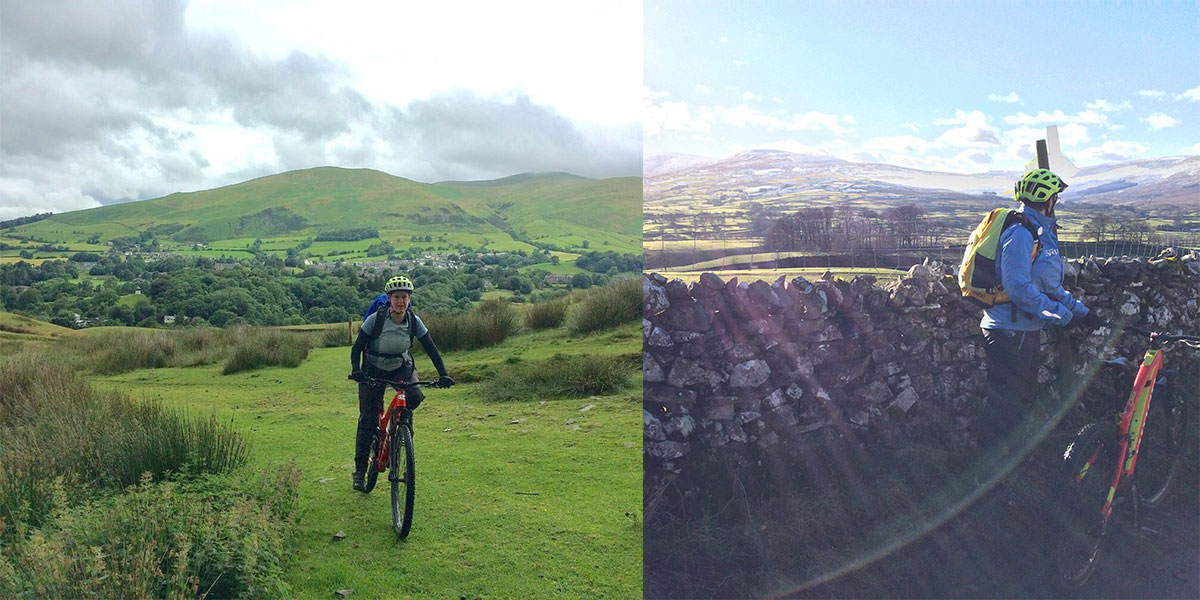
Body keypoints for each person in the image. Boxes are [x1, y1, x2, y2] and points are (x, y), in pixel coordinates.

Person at [975, 168, 1104, 450]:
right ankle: (986, 471)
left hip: (1023, 329)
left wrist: (1081, 312)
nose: (1056, 202)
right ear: (1048, 200)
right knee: (1005, 405)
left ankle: (1005, 463)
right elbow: (1019, 288)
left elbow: (1050, 287)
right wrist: (1062, 317)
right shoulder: (1020, 233)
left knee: (1018, 400)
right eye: (1055, 197)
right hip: (1009, 331)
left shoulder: (1040, 233)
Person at [348, 275, 454, 491]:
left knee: (414, 396)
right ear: (389, 299)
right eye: (396, 297)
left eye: (405, 297)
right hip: (373, 367)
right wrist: (357, 370)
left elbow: (431, 349)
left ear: (409, 299)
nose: (401, 301)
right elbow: (357, 348)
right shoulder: (376, 319)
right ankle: (360, 470)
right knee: (368, 418)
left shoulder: (414, 321)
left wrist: (444, 374)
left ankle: (401, 434)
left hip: (400, 365)